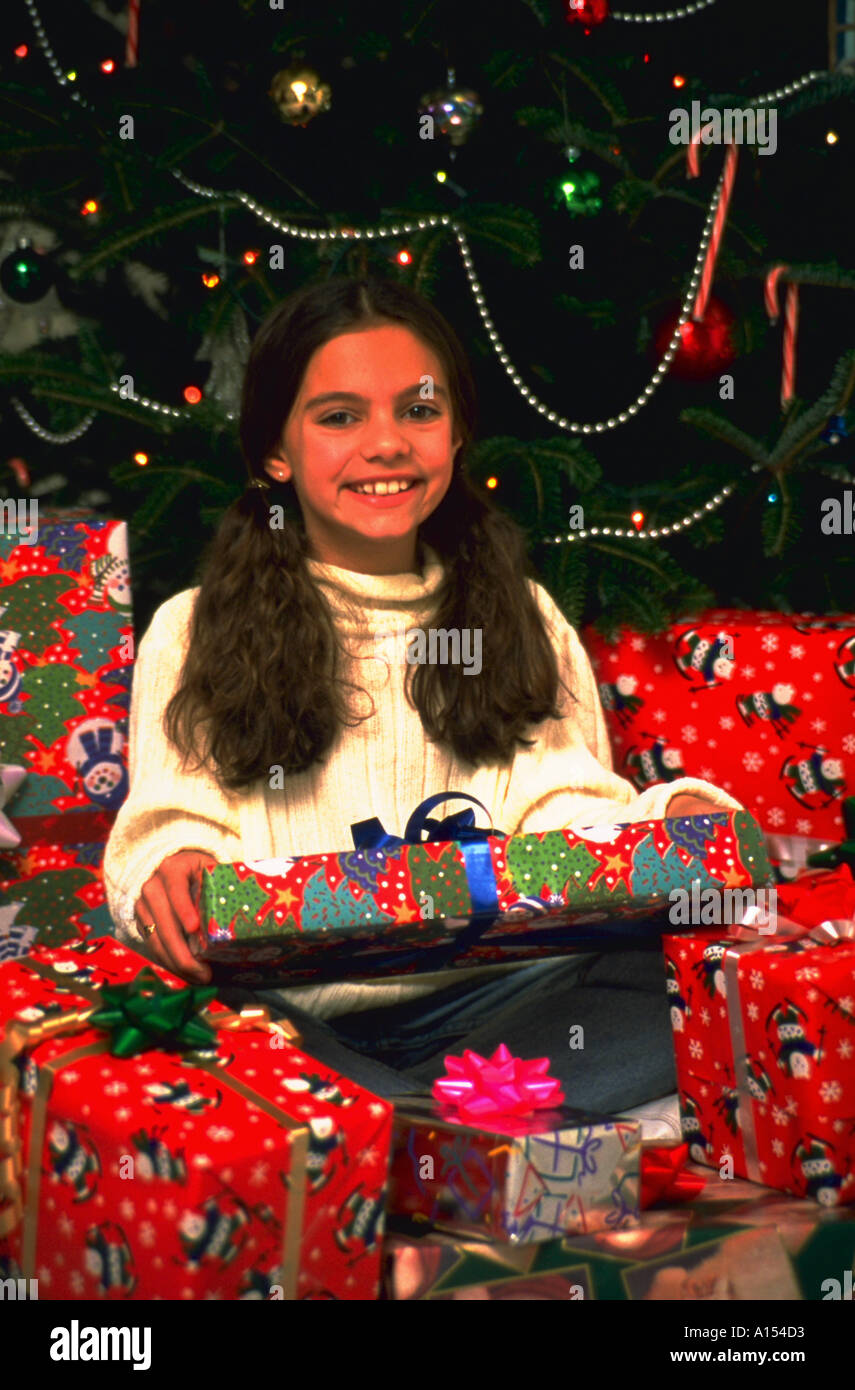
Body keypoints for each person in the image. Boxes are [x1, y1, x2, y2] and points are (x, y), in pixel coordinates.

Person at [103, 275, 743, 1110]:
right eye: (339, 417)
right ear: (275, 449)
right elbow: (170, 820)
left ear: (456, 432)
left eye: (419, 410)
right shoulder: (193, 627)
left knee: (689, 991)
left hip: (506, 1001)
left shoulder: (521, 615)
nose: (387, 444)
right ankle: (451, 1117)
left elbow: (566, 817)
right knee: (202, 1032)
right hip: (296, 1016)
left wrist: (672, 823)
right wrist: (169, 865)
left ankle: (397, 1127)